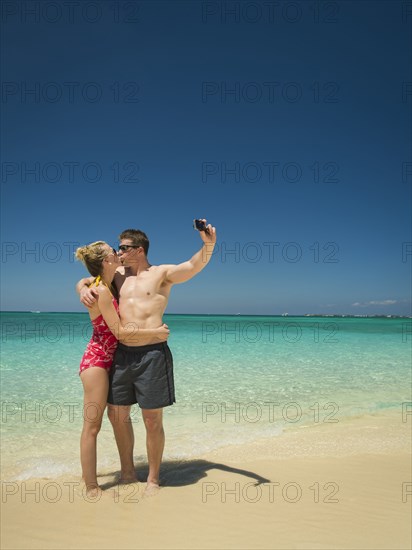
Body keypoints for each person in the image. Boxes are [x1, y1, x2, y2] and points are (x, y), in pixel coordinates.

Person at [76, 220, 216, 494]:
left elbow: (192, 266)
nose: (119, 253)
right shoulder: (116, 274)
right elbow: (88, 276)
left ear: (139, 250)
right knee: (118, 416)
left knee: (152, 420)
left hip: (152, 354)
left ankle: (153, 478)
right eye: (117, 249)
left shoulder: (161, 273)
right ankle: (128, 472)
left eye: (124, 248)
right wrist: (82, 288)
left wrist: (208, 244)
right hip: (121, 354)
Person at [75, 241, 170, 497]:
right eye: (112, 252)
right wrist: (156, 332)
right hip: (97, 362)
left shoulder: (104, 283)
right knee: (92, 427)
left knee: (113, 418)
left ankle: (126, 473)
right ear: (106, 261)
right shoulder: (102, 291)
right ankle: (92, 487)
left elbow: (83, 279)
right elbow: (118, 331)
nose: (118, 253)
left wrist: (79, 285)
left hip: (111, 359)